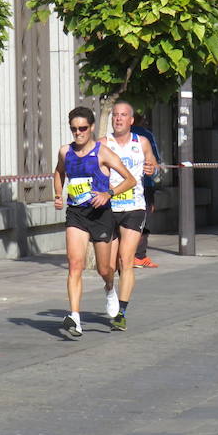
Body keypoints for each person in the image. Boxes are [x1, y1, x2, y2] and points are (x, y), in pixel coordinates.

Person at [53, 107, 136, 338]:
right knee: (75, 264)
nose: (78, 133)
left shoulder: (103, 153)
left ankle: (110, 288)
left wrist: (109, 193)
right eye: (73, 129)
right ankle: (75, 317)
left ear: (90, 128)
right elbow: (59, 173)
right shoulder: (65, 152)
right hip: (77, 214)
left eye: (82, 128)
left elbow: (130, 180)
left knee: (104, 268)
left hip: (100, 216)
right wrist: (59, 195)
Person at [101, 102, 158, 331]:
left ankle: (121, 313)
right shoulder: (104, 144)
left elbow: (152, 163)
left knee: (126, 260)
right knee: (106, 267)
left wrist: (151, 169)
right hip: (108, 207)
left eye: (123, 115)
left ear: (131, 120)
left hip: (134, 207)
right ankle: (109, 290)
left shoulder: (141, 142)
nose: (118, 119)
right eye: (115, 115)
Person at [131, 112, 162, 269]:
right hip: (144, 184)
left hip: (120, 185)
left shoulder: (113, 138)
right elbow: (155, 160)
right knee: (144, 218)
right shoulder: (145, 135)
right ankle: (139, 256)